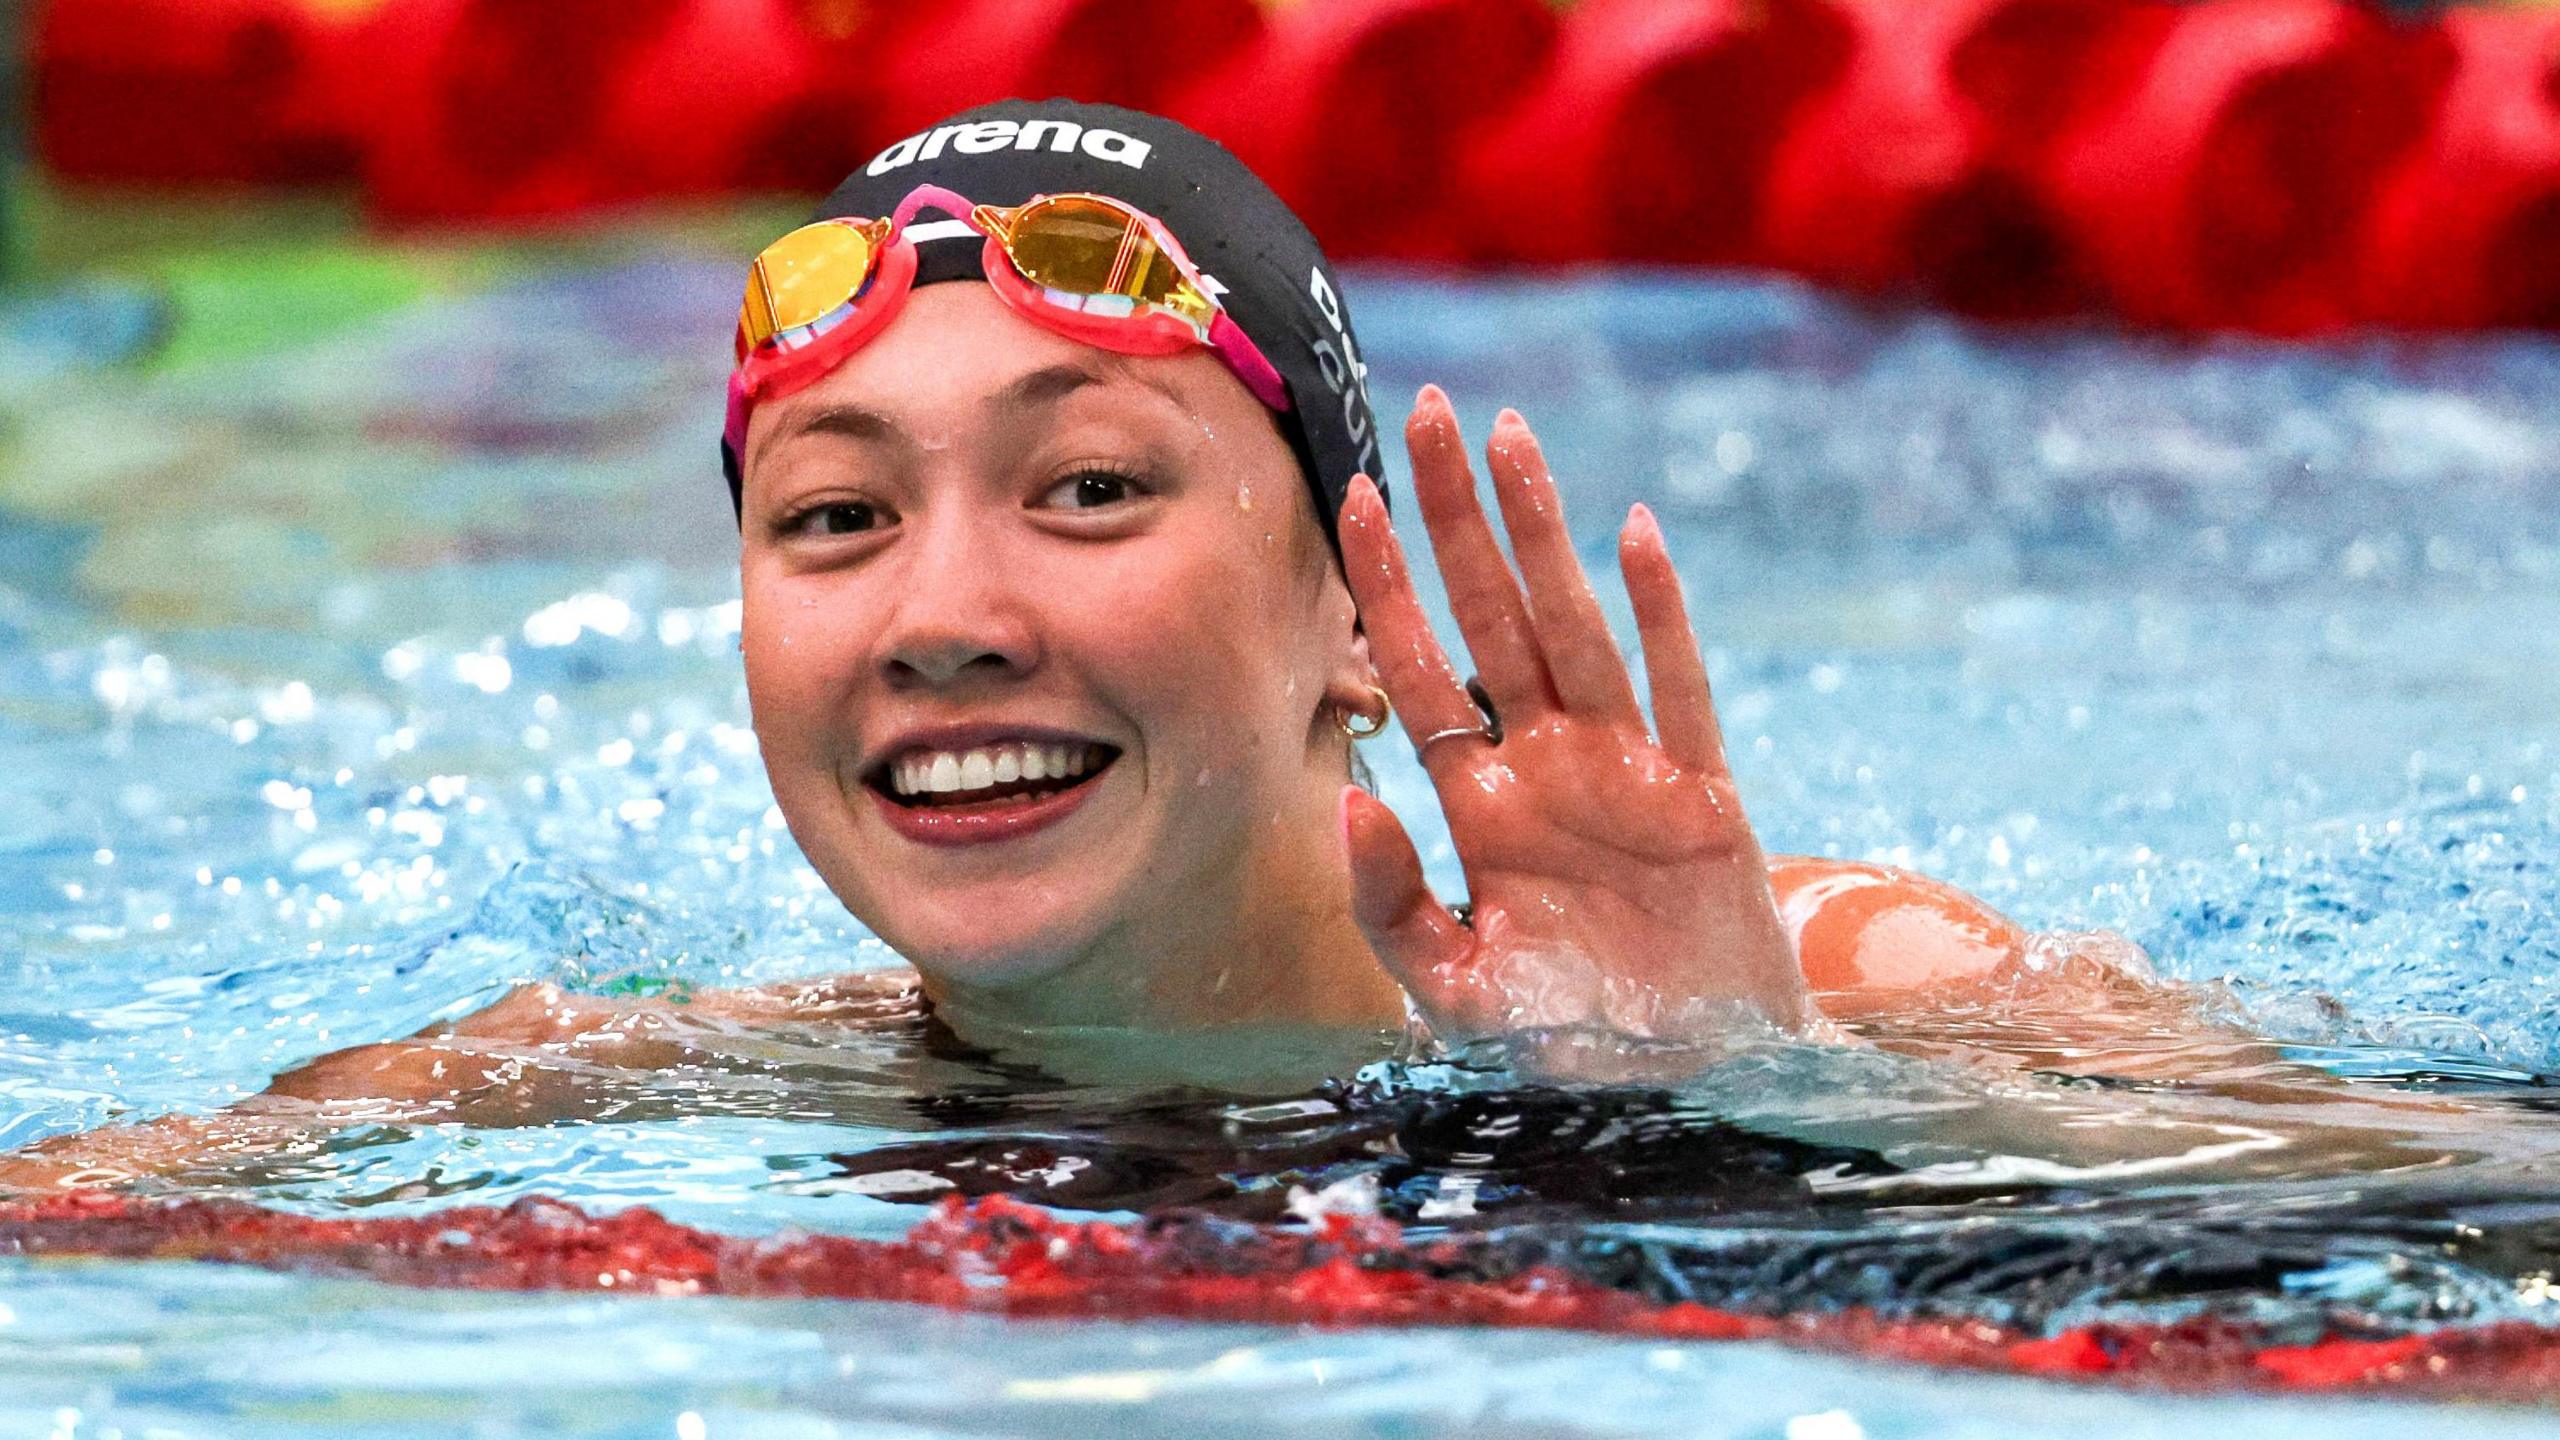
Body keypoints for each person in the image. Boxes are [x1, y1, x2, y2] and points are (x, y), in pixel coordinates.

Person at [0, 101, 2033, 1191]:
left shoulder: (1886, 986)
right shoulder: (605, 1088)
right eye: (832, 519)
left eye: (1084, 492)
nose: (942, 623)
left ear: (1350, 608)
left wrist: (1723, 1099)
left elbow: (2345, 1278)